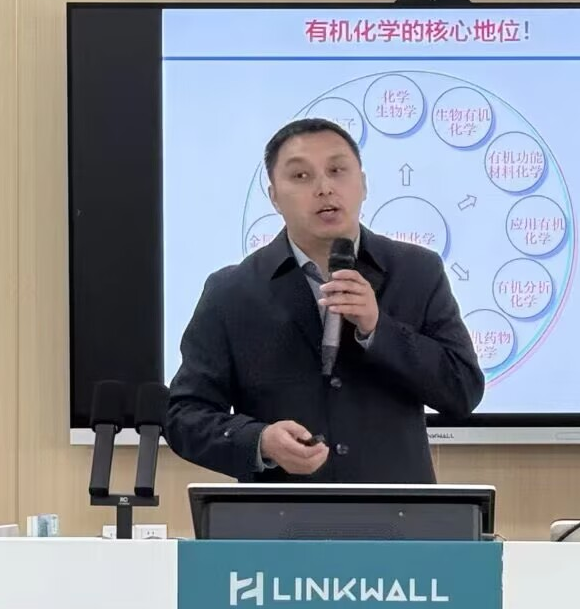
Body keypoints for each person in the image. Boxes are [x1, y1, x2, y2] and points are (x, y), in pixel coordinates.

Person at [165, 118, 485, 483]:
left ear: (363, 183)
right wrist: (260, 441)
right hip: (281, 511)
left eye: (337, 170)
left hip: (397, 508)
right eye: (301, 176)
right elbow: (185, 416)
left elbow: (463, 390)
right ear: (274, 197)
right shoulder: (232, 291)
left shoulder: (417, 271)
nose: (324, 188)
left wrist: (378, 329)